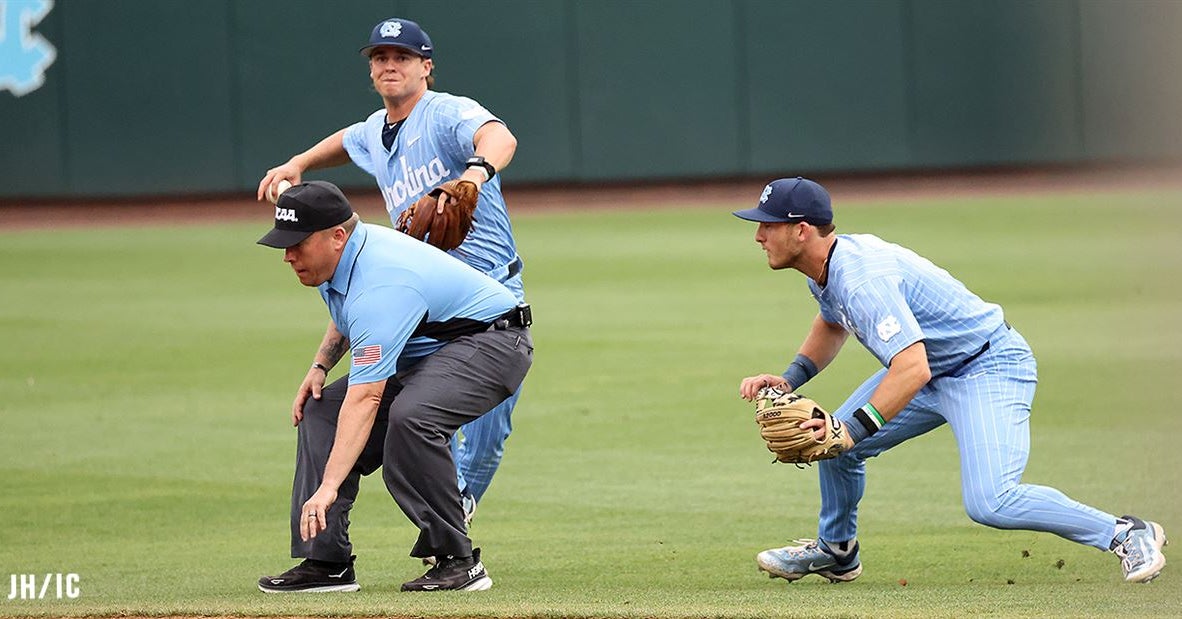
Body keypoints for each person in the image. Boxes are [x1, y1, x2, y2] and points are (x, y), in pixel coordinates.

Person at [734, 176, 1167, 584]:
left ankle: (1126, 532)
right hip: (931, 371)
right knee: (834, 446)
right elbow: (833, 322)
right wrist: (792, 379)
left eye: (767, 226)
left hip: (987, 367)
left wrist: (850, 430)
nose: (757, 236)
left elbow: (912, 368)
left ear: (802, 231)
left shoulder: (864, 279)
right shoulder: (829, 266)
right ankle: (838, 551)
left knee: (990, 501)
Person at [256, 17, 525, 524]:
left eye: (401, 57)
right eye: (380, 58)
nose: (389, 65)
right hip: (414, 301)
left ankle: (456, 510)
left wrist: (474, 175)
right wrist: (300, 162)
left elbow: (499, 137)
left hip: (488, 297)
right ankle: (435, 528)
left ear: (426, 67)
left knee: (488, 436)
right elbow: (348, 139)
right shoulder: (376, 134)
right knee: (394, 406)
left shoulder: (446, 113)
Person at [254, 181, 532, 592]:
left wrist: (328, 487)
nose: (288, 255)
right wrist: (320, 365)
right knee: (321, 410)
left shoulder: (381, 282)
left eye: (298, 243)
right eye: (285, 244)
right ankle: (327, 562)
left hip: (493, 344)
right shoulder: (342, 258)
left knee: (413, 417)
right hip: (432, 352)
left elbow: (367, 395)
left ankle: (458, 560)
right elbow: (349, 314)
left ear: (337, 236)